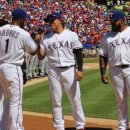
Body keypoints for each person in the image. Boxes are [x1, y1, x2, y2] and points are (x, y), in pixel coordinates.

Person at [38, 12, 85, 130]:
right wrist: (38, 43)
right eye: (49, 22)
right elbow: (41, 56)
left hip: (69, 69)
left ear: (59, 20)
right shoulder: (46, 38)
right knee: (56, 101)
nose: (50, 24)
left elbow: (78, 53)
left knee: (75, 100)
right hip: (53, 71)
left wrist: (80, 69)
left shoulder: (71, 35)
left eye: (52, 21)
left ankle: (80, 126)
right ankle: (59, 127)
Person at [0, 8, 37, 130]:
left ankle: (4, 127)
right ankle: (17, 128)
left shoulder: (1, 29)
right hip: (13, 68)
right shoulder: (23, 33)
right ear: (20, 19)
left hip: (0, 66)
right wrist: (38, 41)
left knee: (8, 100)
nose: (25, 21)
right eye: (24, 19)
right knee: (16, 101)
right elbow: (33, 51)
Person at [99, 10, 130, 130]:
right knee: (120, 100)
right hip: (115, 70)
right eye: (111, 21)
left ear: (121, 20)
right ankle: (122, 126)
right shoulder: (107, 36)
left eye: (114, 21)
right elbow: (103, 55)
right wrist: (102, 73)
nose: (112, 24)